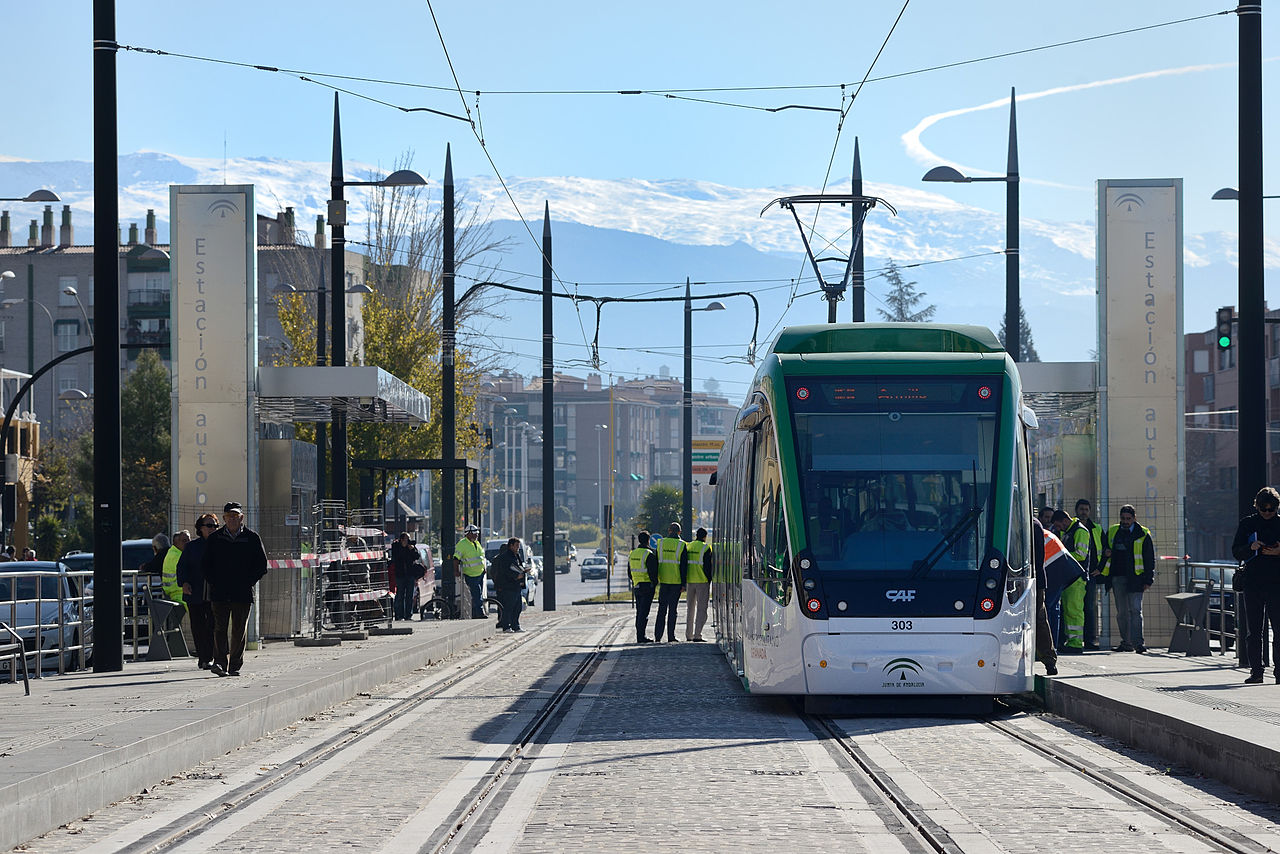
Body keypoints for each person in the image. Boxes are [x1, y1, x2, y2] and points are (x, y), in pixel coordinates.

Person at [202, 501, 268, 677]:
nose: (232, 519)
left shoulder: (252, 537)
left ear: (241, 517)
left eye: (235, 516)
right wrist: (215, 582)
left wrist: (248, 581)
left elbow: (261, 565)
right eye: (229, 516)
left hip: (242, 593)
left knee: (239, 630)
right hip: (220, 593)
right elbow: (205, 565)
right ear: (224, 518)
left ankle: (235, 666)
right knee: (219, 629)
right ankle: (220, 663)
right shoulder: (215, 539)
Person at [1232, 487, 1280, 684]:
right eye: (1263, 509)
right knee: (1254, 631)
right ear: (1257, 506)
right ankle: (1256, 671)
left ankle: (1279, 672)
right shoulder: (1248, 524)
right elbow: (1236, 551)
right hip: (1253, 582)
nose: (1268, 513)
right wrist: (1250, 548)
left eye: (1272, 509)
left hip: (1277, 583)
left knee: (1279, 629)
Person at [1100, 504, 1155, 653]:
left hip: (1136, 578)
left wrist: (1148, 579)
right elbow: (1104, 549)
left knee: (1136, 611)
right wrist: (1106, 553)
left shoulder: (1143, 534)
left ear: (1134, 518)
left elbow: (1149, 558)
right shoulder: (1113, 531)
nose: (1125, 521)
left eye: (1128, 519)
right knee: (1122, 613)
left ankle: (1138, 644)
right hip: (1118, 577)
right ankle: (1126, 643)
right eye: (1123, 518)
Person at [178, 513, 218, 670]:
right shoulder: (192, 547)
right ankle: (204, 658)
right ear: (200, 528)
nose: (212, 529)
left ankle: (214, 656)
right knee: (198, 627)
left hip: (215, 593)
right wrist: (184, 583)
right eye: (209, 525)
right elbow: (182, 567)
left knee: (213, 626)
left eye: (215, 525)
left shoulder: (221, 544)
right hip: (195, 593)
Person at [1052, 510, 1090, 654]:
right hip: (1070, 577)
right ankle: (1072, 641)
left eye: (1058, 525)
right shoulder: (1069, 530)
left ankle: (1076, 643)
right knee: (1069, 610)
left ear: (1064, 520)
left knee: (1074, 611)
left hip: (1077, 577)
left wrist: (1061, 555)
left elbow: (1081, 554)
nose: (1058, 529)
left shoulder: (1080, 531)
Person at [1074, 499, 1105, 650]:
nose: (1084, 512)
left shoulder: (1097, 528)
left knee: (1090, 608)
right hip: (1074, 573)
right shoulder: (1072, 528)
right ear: (1076, 510)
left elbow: (1106, 550)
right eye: (1081, 509)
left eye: (1086, 509)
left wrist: (1101, 568)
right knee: (1075, 608)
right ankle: (1075, 640)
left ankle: (1091, 640)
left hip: (1091, 574)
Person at [1032, 517, 1058, 676]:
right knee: (1040, 619)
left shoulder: (1032, 524)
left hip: (1032, 579)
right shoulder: (1035, 524)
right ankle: (1049, 661)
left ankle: (1049, 660)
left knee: (1039, 619)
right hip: (1037, 579)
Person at [654, 521, 688, 643]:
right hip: (676, 582)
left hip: (663, 581)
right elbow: (684, 567)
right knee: (673, 610)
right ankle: (671, 636)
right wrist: (684, 584)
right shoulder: (682, 545)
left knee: (661, 609)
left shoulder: (660, 543)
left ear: (669, 531)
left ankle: (657, 636)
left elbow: (656, 561)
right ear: (679, 532)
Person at [490, 537, 526, 632]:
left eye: (518, 546)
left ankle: (516, 625)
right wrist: (515, 576)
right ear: (511, 546)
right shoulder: (505, 557)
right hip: (508, 586)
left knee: (517, 607)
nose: (518, 548)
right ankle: (506, 626)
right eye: (516, 546)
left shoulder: (516, 556)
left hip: (516, 586)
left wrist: (524, 571)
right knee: (508, 607)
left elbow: (518, 567)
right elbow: (506, 571)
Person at [628, 531, 659, 643]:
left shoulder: (632, 553)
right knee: (644, 613)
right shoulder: (649, 554)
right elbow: (653, 573)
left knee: (639, 612)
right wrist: (654, 584)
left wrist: (635, 580)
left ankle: (639, 635)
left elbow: (629, 572)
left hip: (637, 586)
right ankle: (641, 637)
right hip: (647, 586)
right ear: (648, 540)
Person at [684, 527, 713, 642]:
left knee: (690, 609)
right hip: (702, 581)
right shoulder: (706, 548)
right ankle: (697, 635)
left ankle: (688, 635)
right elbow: (708, 567)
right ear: (705, 537)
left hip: (690, 581)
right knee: (701, 609)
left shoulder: (688, 546)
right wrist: (709, 579)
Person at [454, 524, 486, 619]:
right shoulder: (462, 544)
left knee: (478, 594)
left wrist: (483, 569)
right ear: (469, 534)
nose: (476, 535)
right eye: (475, 534)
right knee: (477, 594)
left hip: (480, 573)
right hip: (471, 574)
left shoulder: (476, 543)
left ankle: (476, 613)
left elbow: (480, 557)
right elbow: (456, 559)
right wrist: (456, 571)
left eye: (477, 533)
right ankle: (480, 613)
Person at [390, 533, 421, 621]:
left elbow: (416, 557)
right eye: (406, 539)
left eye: (408, 539)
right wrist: (403, 547)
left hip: (410, 574)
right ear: (401, 540)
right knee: (400, 595)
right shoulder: (396, 546)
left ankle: (408, 615)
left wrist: (411, 549)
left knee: (409, 596)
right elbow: (396, 558)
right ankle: (399, 615)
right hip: (400, 574)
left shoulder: (411, 547)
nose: (407, 541)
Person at [162, 530, 189, 613]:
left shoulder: (173, 552)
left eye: (189, 540)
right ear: (175, 543)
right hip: (178, 593)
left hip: (176, 592)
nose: (187, 543)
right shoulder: (177, 556)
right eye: (184, 541)